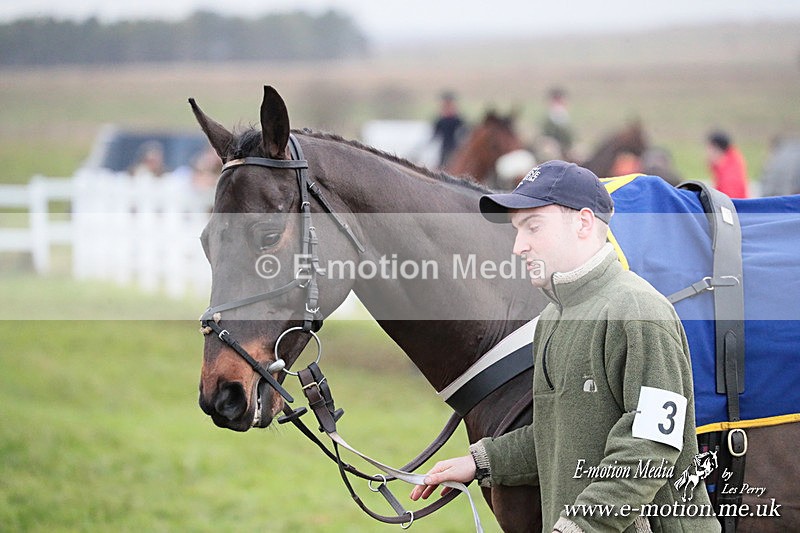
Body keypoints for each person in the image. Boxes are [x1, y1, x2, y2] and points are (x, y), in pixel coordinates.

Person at [411, 160, 720, 533]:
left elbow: (651, 446)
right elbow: (555, 435)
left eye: (533, 227)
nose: (518, 247)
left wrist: (578, 526)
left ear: (584, 224)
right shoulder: (552, 320)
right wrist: (481, 462)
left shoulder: (639, 311)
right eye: (516, 231)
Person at [706, 131, 749, 198]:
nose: (707, 154)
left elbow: (727, 199)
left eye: (710, 149)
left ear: (717, 149)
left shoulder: (730, 173)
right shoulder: (727, 164)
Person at [431, 90, 466, 168]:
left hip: (456, 150)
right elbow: (435, 135)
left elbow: (464, 135)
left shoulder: (458, 121)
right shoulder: (440, 121)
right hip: (445, 150)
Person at [541, 87, 574, 159]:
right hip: (552, 146)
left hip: (567, 146)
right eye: (556, 100)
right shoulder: (549, 118)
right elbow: (544, 135)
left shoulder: (565, 117)